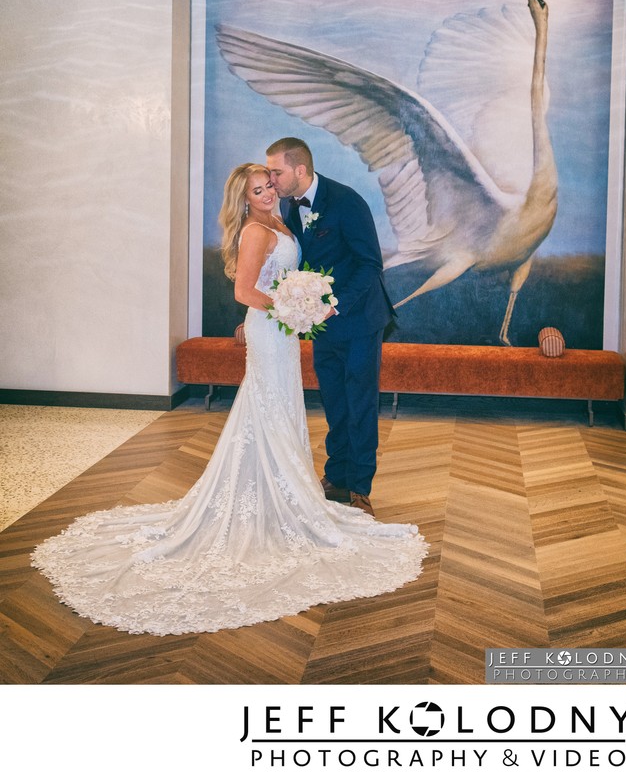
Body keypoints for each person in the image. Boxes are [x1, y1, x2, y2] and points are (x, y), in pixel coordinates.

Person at [31, 163, 425, 636]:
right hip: (273, 329)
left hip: (283, 330)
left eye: (269, 185)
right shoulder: (257, 229)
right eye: (258, 190)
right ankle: (277, 496)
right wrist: (294, 307)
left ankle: (287, 488)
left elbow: (295, 274)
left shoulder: (284, 220)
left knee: (278, 406)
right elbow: (245, 289)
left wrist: (299, 302)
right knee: (267, 404)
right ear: (243, 199)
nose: (267, 193)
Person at [266, 137, 394, 517]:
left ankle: (359, 487)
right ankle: (336, 475)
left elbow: (370, 264)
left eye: (277, 172)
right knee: (334, 401)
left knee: (360, 402)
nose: (272, 180)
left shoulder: (346, 202)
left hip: (358, 322)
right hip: (320, 328)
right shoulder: (289, 208)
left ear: (299, 170)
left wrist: (333, 307)